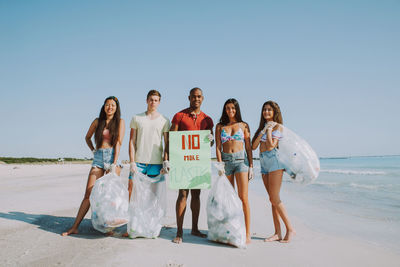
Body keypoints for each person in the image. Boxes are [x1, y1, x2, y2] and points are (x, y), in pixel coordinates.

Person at [62, 96, 125, 236]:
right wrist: (93, 150)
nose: (110, 107)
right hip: (98, 158)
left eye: (113, 105)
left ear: (116, 108)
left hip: (112, 158)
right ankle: (75, 227)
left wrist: (114, 163)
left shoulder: (120, 122)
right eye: (107, 105)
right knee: (89, 194)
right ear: (104, 107)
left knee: (109, 196)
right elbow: (87, 137)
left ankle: (108, 227)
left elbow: (118, 143)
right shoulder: (98, 122)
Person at [166, 87, 214, 244]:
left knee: (196, 195)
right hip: (182, 161)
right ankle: (179, 232)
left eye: (199, 96)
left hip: (198, 161)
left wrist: (211, 139)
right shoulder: (179, 116)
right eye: (194, 97)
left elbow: (210, 142)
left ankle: (194, 228)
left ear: (203, 98)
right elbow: (171, 139)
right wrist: (167, 158)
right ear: (189, 98)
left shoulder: (207, 119)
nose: (196, 99)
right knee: (183, 194)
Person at [251, 100, 295, 243]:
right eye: (264, 109)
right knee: (272, 199)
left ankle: (290, 229)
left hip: (275, 162)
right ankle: (277, 233)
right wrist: (263, 130)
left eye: (269, 110)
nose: (266, 112)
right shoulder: (261, 128)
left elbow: (271, 146)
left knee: (275, 198)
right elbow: (254, 146)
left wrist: (269, 130)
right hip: (263, 163)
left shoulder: (278, 127)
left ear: (275, 112)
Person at [215, 98, 253, 244]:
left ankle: (248, 233)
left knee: (243, 198)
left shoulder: (244, 125)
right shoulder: (219, 126)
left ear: (237, 109)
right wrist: (220, 165)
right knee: (229, 199)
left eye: (233, 108)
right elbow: (218, 147)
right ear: (225, 110)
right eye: (227, 108)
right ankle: (232, 229)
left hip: (241, 162)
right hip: (226, 162)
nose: (230, 111)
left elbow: (248, 147)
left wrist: (251, 166)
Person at [127, 89, 170, 199]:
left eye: (156, 100)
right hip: (138, 162)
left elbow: (167, 143)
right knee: (132, 190)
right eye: (151, 100)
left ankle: (152, 216)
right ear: (147, 100)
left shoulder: (165, 120)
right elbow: (132, 141)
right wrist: (132, 162)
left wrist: (165, 161)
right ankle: (129, 215)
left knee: (154, 194)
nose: (153, 102)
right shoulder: (136, 118)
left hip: (156, 163)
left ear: (159, 102)